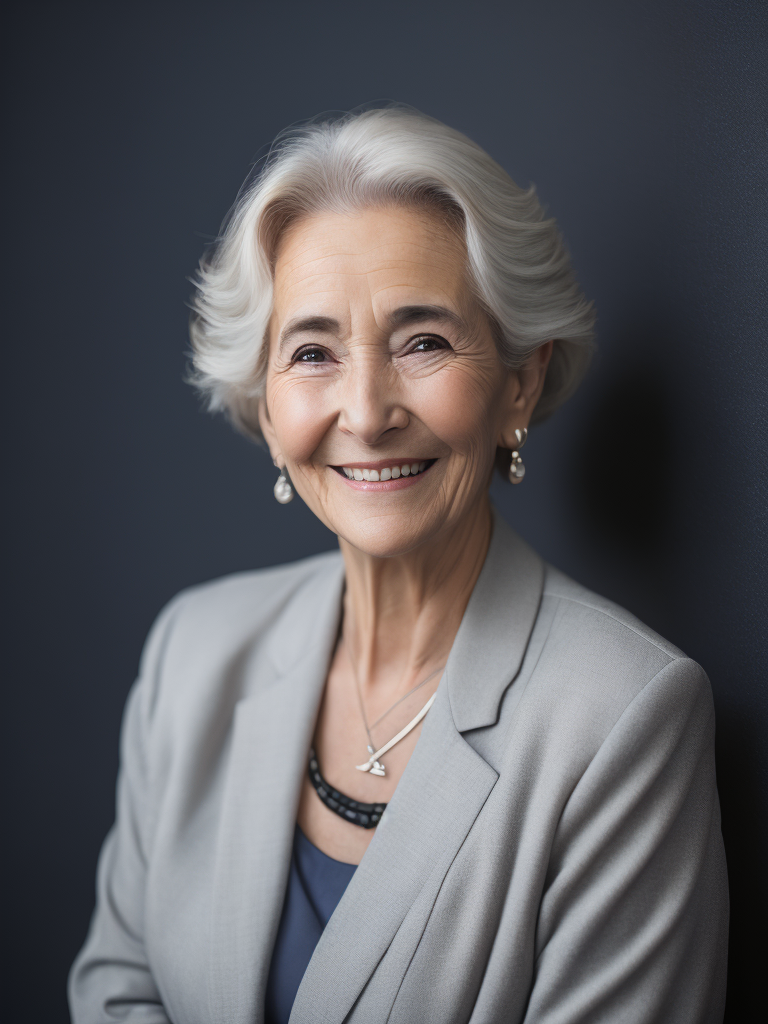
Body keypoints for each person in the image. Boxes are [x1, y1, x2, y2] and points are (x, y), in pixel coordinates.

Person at [69, 106, 728, 1024]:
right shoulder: (193, 651)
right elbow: (117, 986)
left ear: (520, 382)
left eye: (423, 342)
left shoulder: (624, 715)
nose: (367, 412)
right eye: (312, 353)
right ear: (267, 410)